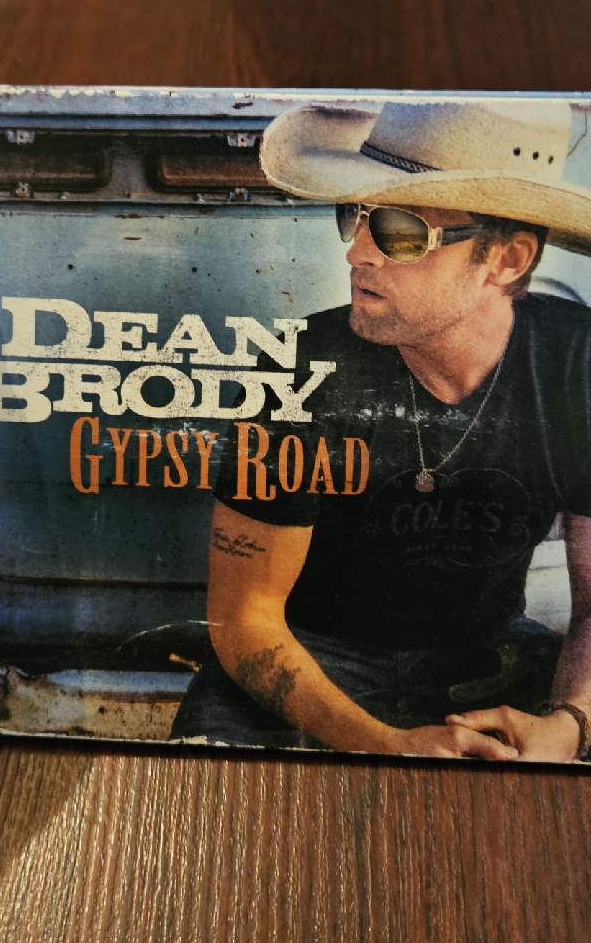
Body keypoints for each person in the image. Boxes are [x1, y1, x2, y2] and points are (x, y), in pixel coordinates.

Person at [170, 96, 591, 761]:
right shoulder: (298, 365)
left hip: (490, 656)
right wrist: (384, 745)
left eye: (400, 231)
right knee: (206, 779)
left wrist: (568, 724)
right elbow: (247, 619)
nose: (357, 252)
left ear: (507, 259)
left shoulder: (577, 364)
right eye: (355, 214)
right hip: (312, 657)